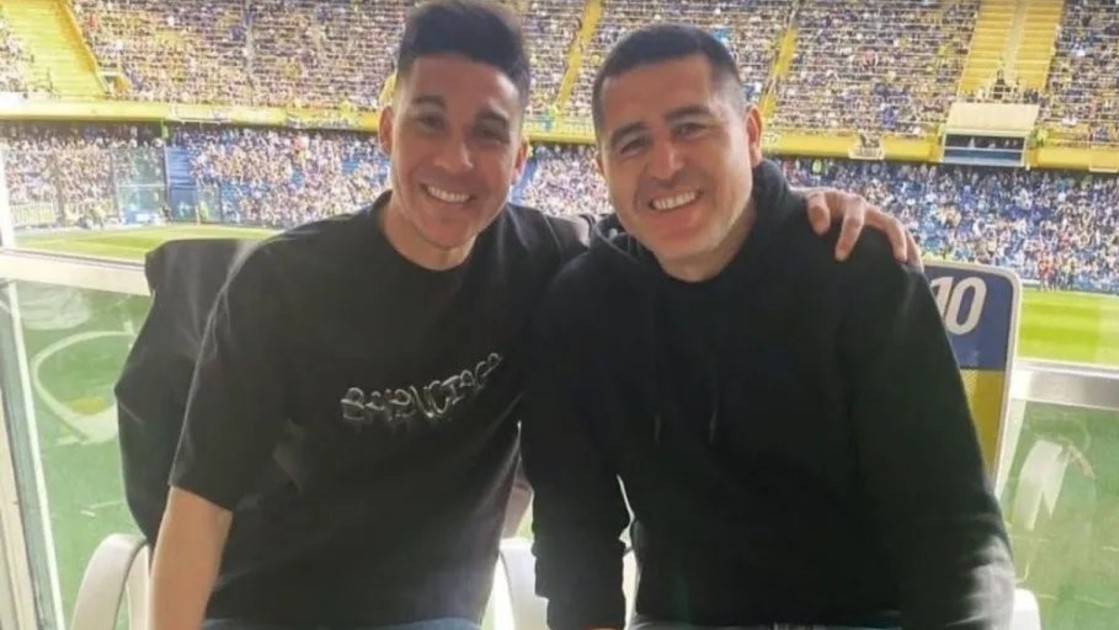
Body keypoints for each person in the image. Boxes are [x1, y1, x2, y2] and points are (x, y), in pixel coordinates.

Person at [148, 2, 917, 629]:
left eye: (487, 134)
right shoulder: (279, 284)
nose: (456, 160)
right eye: (428, 122)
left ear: (519, 160)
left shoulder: (552, 262)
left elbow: (687, 224)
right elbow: (199, 506)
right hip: (267, 609)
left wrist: (798, 215)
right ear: (385, 131)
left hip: (430, 614)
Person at [521, 24, 1016, 630]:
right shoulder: (580, 309)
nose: (665, 164)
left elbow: (953, 526)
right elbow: (576, 538)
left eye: (691, 127)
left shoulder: (857, 272)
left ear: (750, 135)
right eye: (632, 143)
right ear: (602, 168)